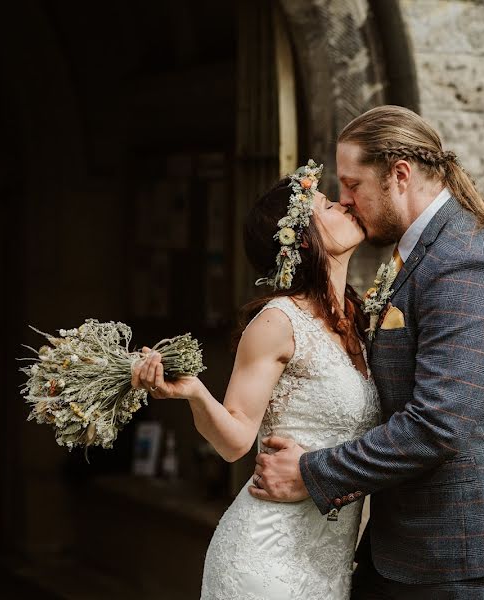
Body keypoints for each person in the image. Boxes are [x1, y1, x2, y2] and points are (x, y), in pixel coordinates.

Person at [250, 105, 484, 599]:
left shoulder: (467, 259)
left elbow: (437, 422)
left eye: (354, 184)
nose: (346, 199)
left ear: (399, 175)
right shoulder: (422, 251)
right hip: (417, 546)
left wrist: (312, 473)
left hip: (473, 550)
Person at [132, 160, 381, 599]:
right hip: (266, 561)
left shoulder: (360, 322)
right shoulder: (277, 322)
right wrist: (193, 391)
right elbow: (234, 441)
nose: (345, 204)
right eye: (327, 204)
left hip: (330, 567)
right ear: (303, 239)